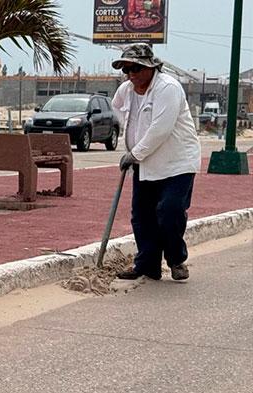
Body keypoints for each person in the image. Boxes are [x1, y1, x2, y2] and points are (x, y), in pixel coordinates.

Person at [111, 44, 201, 281]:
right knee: (142, 216)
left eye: (137, 68)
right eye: (127, 70)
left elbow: (160, 129)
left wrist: (135, 152)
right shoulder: (126, 90)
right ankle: (148, 264)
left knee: (169, 210)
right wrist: (130, 138)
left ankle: (176, 259)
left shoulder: (168, 88)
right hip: (145, 162)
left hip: (177, 162)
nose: (132, 74)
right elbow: (117, 107)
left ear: (151, 67)